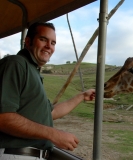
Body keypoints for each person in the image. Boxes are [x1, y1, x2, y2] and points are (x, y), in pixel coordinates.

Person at [0, 22, 96, 160]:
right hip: (15, 154)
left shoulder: (33, 71)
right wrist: (53, 134)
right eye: (43, 39)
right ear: (28, 41)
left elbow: (51, 113)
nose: (49, 46)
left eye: (53, 43)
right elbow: (3, 118)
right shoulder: (15, 64)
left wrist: (81, 96)